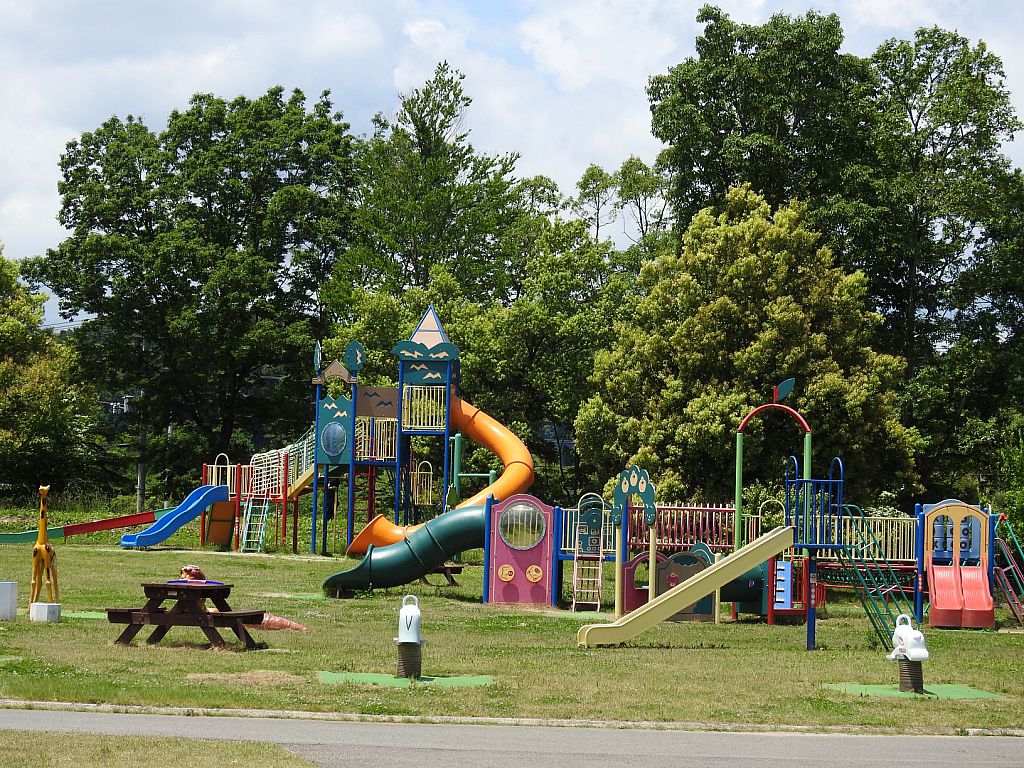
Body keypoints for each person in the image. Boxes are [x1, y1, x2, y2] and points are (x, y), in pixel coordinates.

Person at [175, 564, 309, 632]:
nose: (182, 580)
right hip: (201, 611)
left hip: (203, 611)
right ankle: (298, 628)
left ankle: (297, 628)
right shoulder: (191, 599)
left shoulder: (194, 597)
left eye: (184, 578)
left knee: (243, 617)